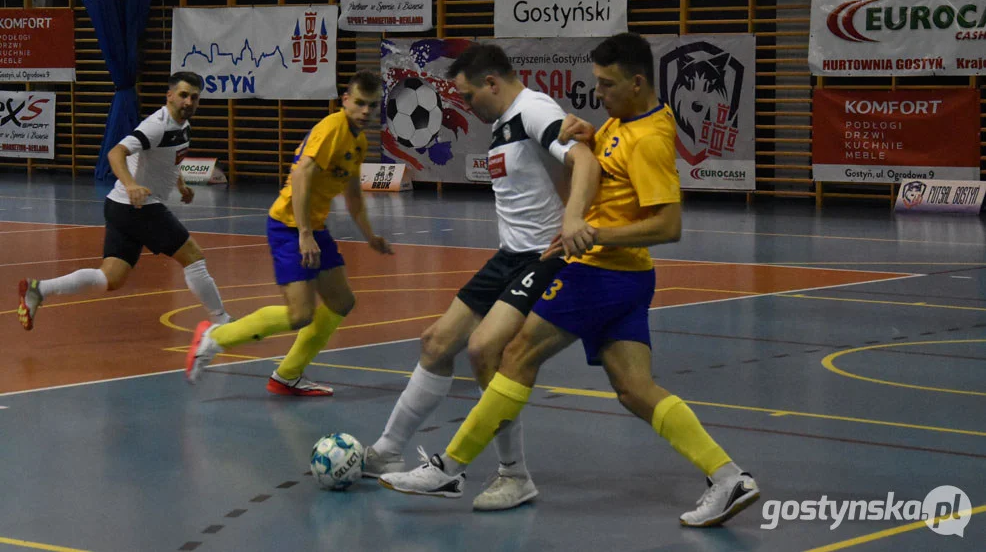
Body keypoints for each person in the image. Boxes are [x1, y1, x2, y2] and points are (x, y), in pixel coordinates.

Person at [379, 33, 761, 527]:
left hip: (601, 272)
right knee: (633, 388)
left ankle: (450, 468)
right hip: (628, 279)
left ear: (637, 81)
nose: (598, 94)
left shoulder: (651, 140)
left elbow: (669, 226)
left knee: (513, 354)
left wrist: (588, 227)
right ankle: (729, 477)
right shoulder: (628, 121)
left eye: (606, 85)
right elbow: (609, 165)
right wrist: (594, 132)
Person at [362, 43, 599, 511]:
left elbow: (585, 161)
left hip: (542, 257)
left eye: (470, 96)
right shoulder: (501, 124)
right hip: (508, 257)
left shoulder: (533, 110)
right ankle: (387, 452)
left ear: (492, 82)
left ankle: (514, 476)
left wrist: (572, 220)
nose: (466, 106)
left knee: (485, 350)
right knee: (436, 342)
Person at [184, 70, 394, 396]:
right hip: (289, 226)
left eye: (372, 105)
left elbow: (353, 194)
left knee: (340, 301)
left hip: (313, 227)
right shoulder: (332, 129)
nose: (366, 111)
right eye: (360, 103)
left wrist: (369, 235)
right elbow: (300, 177)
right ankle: (215, 337)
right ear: (346, 101)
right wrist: (305, 234)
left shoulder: (358, 140)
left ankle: (288, 375)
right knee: (300, 315)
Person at [17, 71, 232, 331]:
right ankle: (221, 321)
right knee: (194, 258)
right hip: (139, 208)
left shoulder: (182, 126)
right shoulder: (156, 126)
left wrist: (180, 184)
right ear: (170, 95)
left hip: (121, 208)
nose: (188, 102)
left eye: (194, 98)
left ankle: (39, 289)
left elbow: (167, 159)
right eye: (184, 95)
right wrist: (131, 185)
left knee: (110, 278)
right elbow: (116, 153)